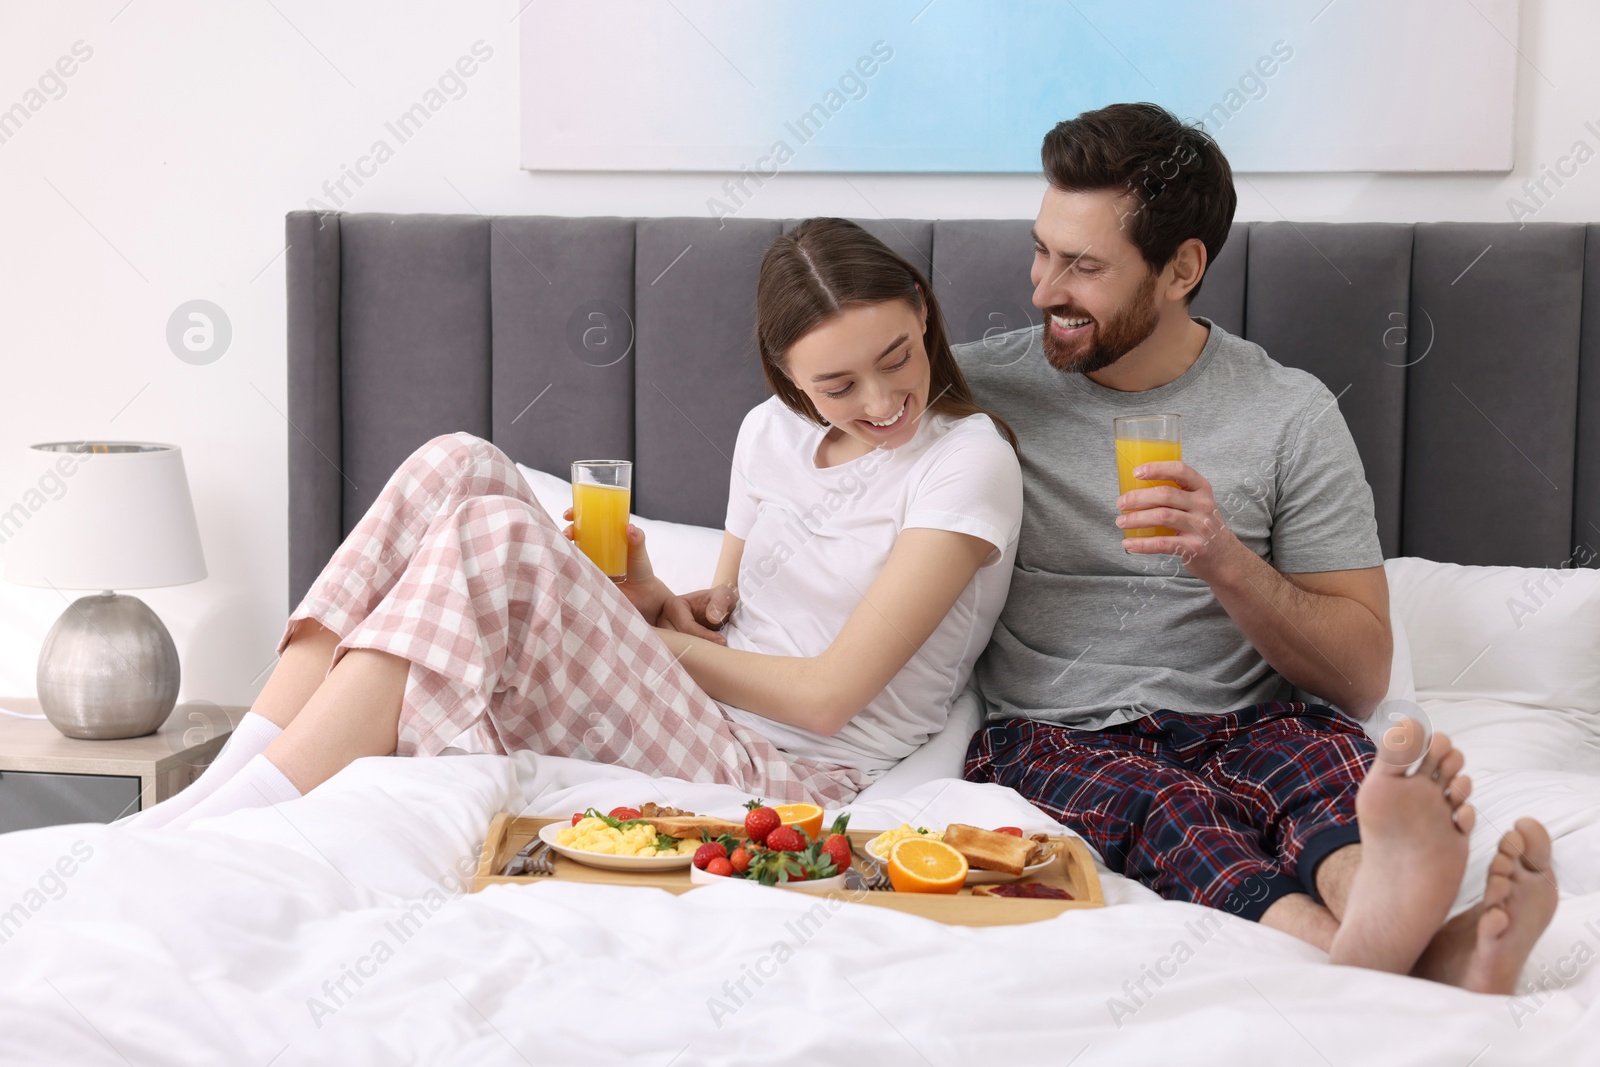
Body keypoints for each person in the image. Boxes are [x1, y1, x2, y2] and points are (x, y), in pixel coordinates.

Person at [124, 218, 1023, 832]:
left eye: (896, 357)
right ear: (790, 381)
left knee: (496, 541)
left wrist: (636, 637)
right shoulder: (769, 434)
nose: (881, 400)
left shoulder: (963, 458)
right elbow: (725, 611)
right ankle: (220, 788)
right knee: (458, 461)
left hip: (792, 776)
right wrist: (649, 601)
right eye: (836, 387)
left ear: (921, 307)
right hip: (701, 709)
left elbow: (828, 693)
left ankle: (242, 818)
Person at [956, 102, 1557, 993]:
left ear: (1182, 267)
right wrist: (706, 583)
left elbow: (1359, 673)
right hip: (1057, 732)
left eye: (1083, 266)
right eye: (1043, 250)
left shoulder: (1288, 413)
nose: (1044, 289)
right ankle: (1408, 951)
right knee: (1168, 808)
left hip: (1251, 720)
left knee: (1325, 766)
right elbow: (813, 440)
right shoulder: (972, 389)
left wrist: (1224, 558)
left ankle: (1380, 884)